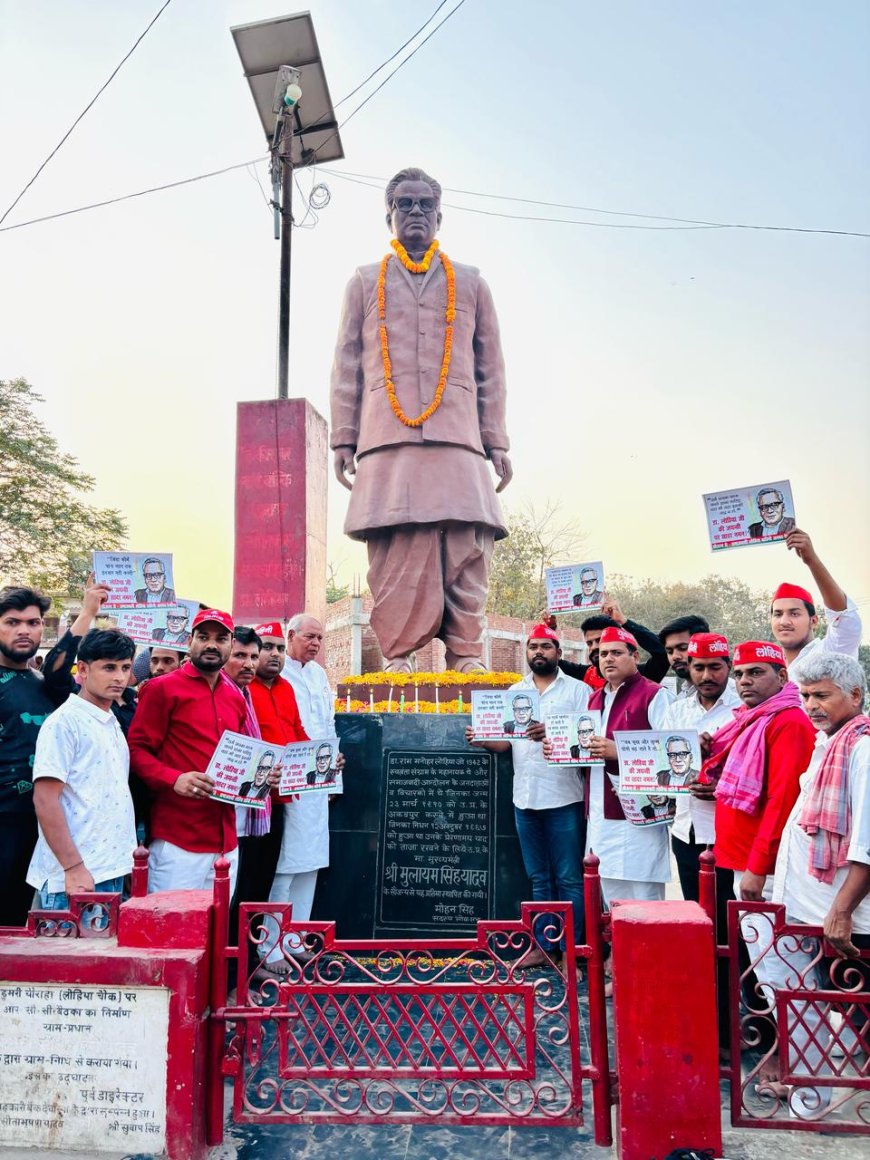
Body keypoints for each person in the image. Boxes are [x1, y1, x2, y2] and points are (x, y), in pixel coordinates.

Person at [330, 166, 511, 673]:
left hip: (459, 436)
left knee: (466, 541)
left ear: (439, 217)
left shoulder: (472, 283)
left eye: (424, 206)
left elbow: (489, 366)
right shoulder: (364, 281)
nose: (414, 213)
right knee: (393, 546)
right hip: (386, 436)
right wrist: (344, 437)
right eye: (404, 205)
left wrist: (495, 439)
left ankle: (467, 654)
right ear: (388, 215)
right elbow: (347, 360)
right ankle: (402, 656)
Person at [705, 640, 816, 1087]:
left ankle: (801, 1073)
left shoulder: (788, 722)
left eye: (757, 673)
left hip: (763, 871)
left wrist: (757, 867)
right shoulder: (753, 720)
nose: (745, 681)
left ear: (782, 677)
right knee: (766, 973)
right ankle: (790, 1062)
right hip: (742, 861)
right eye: (741, 674)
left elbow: (782, 802)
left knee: (782, 976)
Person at [770, 653, 870, 1115]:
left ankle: (819, 1101)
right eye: (806, 695)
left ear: (855, 695)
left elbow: (867, 843)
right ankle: (810, 1098)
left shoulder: (863, 749)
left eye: (822, 695)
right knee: (805, 1004)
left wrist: (843, 911)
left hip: (843, 914)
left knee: (857, 1012)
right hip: (809, 906)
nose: (811, 704)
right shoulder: (829, 741)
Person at [469, 624, 589, 968]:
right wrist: (482, 739)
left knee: (569, 878)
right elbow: (504, 744)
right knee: (539, 878)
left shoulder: (578, 691)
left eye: (546, 647)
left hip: (563, 796)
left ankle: (571, 951)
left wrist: (550, 733)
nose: (539, 652)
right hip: (525, 797)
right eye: (533, 646)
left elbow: (586, 742)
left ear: (559, 652)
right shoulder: (515, 691)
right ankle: (544, 947)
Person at [0, 577, 110, 926]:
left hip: (39, 826)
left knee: (17, 925)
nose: (24, 631)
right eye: (12, 622)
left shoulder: (44, 685)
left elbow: (60, 666)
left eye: (32, 623)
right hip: (3, 823)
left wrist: (89, 609)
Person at [128, 609, 247, 894]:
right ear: (189, 641)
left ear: (231, 645)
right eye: (203, 637)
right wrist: (174, 779)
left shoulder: (235, 696)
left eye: (221, 639)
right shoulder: (161, 689)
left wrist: (263, 775)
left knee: (215, 934)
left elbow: (239, 756)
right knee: (169, 934)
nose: (211, 645)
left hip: (226, 841)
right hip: (177, 839)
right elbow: (136, 749)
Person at [26, 629, 137, 910]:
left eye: (125, 667)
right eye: (109, 667)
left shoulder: (110, 719)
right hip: (73, 879)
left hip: (108, 870)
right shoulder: (64, 723)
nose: (119, 677)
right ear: (84, 670)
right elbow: (45, 799)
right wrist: (73, 866)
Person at [270, 614, 344, 961]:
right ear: (291, 636)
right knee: (286, 863)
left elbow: (328, 727)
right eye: (309, 637)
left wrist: (333, 780)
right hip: (288, 779)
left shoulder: (319, 674)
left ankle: (296, 939)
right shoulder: (276, 675)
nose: (315, 643)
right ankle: (271, 943)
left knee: (311, 861)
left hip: (318, 779)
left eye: (320, 638)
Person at [584, 627, 675, 904]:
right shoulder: (594, 699)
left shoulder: (654, 695)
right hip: (600, 814)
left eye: (616, 653)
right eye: (602, 654)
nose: (608, 659)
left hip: (641, 817)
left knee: (644, 897)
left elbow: (673, 756)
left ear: (635, 656)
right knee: (611, 898)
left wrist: (618, 752)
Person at [248, 621, 310, 969]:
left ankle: (268, 947)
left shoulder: (286, 688)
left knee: (274, 871)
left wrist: (323, 763)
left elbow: (297, 732)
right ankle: (258, 952)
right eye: (267, 648)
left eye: (279, 649)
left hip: (283, 797)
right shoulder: (244, 689)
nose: (274, 655)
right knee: (255, 878)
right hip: (253, 801)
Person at [770, 529, 861, 669]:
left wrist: (811, 560)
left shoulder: (831, 652)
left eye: (794, 613)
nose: (784, 621)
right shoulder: (769, 668)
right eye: (778, 614)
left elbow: (844, 618)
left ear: (813, 621)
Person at [557, 595, 669, 691]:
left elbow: (662, 652)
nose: (595, 647)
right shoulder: (585, 674)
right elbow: (550, 661)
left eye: (600, 640)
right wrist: (551, 630)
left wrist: (624, 621)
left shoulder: (640, 676)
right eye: (589, 643)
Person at [658, 614, 711, 691]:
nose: (675, 656)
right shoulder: (680, 699)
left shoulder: (731, 693)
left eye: (683, 648)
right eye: (669, 651)